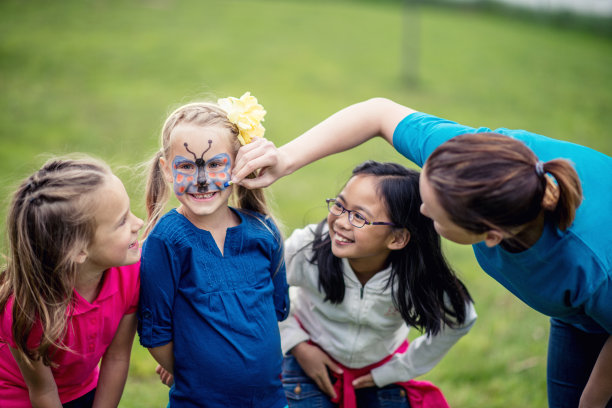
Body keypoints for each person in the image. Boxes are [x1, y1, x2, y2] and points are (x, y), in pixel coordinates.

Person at [230, 98, 612, 408]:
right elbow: (376, 112)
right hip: (576, 315)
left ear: (489, 234)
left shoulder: (595, 265)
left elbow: (456, 317)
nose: (424, 214)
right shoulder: (465, 162)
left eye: (433, 213)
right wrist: (285, 160)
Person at [280, 160, 476, 408]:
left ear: (397, 238)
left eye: (359, 217)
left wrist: (398, 370)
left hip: (379, 370)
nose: (341, 221)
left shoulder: (417, 274)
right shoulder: (308, 247)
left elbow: (461, 319)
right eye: (339, 206)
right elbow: (260, 288)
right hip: (307, 360)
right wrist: (296, 343)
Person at [137, 93, 289, 408]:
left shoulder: (264, 232)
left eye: (217, 164)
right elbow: (157, 334)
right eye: (187, 166)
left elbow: (276, 311)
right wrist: (195, 369)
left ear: (240, 165)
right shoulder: (166, 241)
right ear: (167, 170)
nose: (202, 180)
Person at [0, 157, 143, 408]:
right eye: (122, 222)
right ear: (78, 251)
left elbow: (117, 358)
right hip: (20, 395)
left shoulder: (130, 274)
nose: (138, 223)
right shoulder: (28, 311)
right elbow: (43, 391)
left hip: (82, 387)